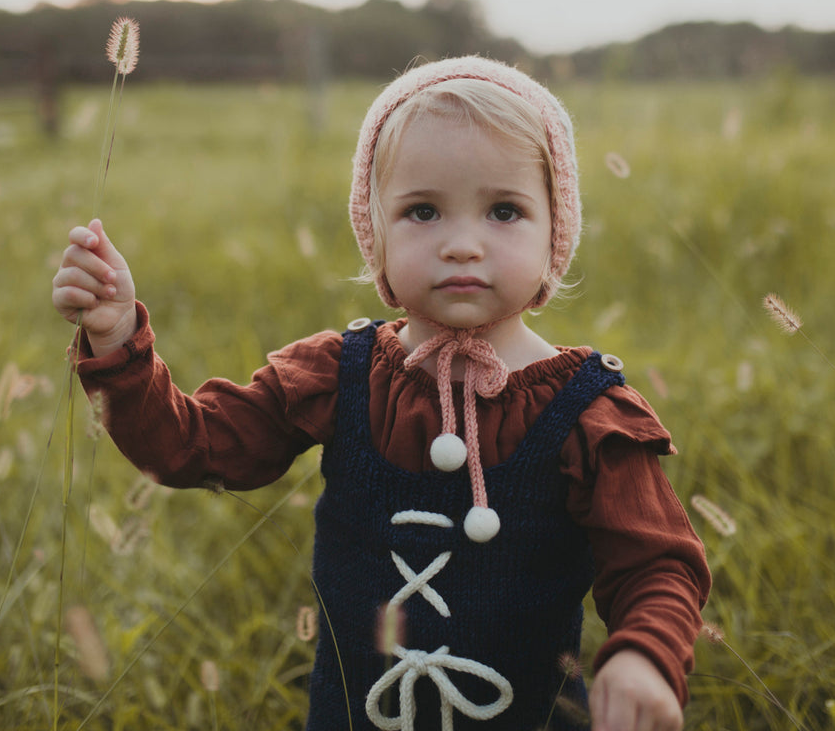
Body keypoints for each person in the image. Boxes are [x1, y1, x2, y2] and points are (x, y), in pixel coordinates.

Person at [52, 56, 710, 731]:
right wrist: (117, 339)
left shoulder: (588, 413)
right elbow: (192, 446)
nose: (461, 244)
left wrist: (645, 655)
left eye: (504, 211)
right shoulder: (339, 375)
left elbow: (658, 563)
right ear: (376, 233)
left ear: (555, 233)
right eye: (423, 211)